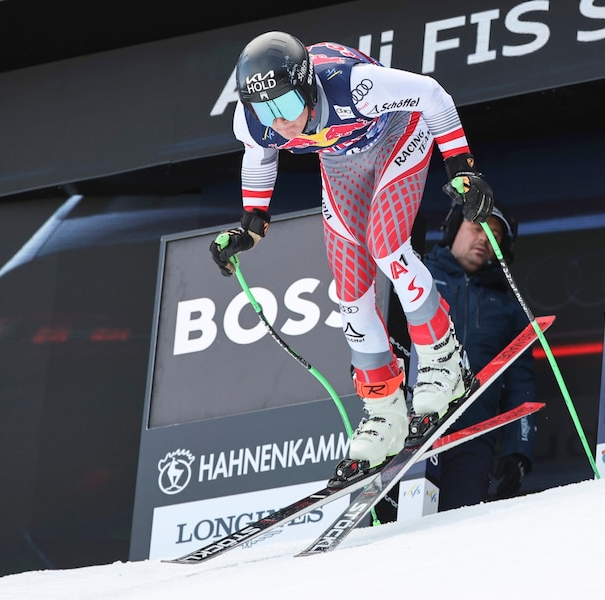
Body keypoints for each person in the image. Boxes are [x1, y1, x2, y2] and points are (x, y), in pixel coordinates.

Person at [210, 31, 496, 474]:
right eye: (266, 111)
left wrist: (461, 166)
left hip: (399, 135)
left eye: (285, 106)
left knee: (387, 247)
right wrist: (251, 225)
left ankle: (443, 360)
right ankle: (384, 411)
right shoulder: (253, 122)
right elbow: (260, 157)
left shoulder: (354, 85)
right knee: (350, 293)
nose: (280, 123)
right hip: (341, 163)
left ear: (306, 86)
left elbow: (433, 95)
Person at [422, 201, 537, 509]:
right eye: (477, 228)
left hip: (473, 435)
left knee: (458, 526)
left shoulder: (510, 308)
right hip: (410, 429)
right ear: (453, 229)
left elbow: (520, 382)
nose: (484, 239)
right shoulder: (415, 278)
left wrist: (518, 452)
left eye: (494, 235)